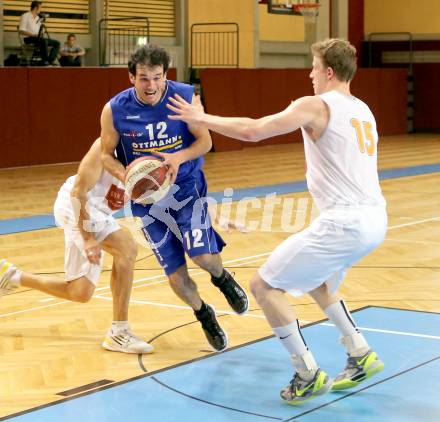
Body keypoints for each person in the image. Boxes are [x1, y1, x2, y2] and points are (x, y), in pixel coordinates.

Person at [167, 38, 387, 404]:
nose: (310, 73)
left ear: (329, 72)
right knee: (318, 282)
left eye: (315, 67)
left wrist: (201, 119)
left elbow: (254, 129)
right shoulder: (363, 109)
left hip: (344, 222)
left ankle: (307, 373)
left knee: (264, 286)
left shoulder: (316, 105)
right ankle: (360, 352)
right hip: (375, 219)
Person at [100, 44, 249, 353]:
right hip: (147, 201)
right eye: (143, 78)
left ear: (165, 75)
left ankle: (222, 278)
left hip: (185, 187)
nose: (151, 85)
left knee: (202, 256)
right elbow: (105, 156)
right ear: (131, 78)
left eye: (157, 77)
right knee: (177, 278)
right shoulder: (115, 109)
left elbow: (205, 141)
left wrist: (177, 158)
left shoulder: (183, 96)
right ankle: (204, 314)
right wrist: (127, 175)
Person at [0, 138, 153, 354]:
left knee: (80, 292)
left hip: (99, 213)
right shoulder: (105, 147)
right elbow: (77, 193)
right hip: (76, 206)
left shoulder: (154, 156)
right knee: (127, 249)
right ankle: (119, 332)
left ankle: (12, 276)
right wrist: (88, 238)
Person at [18, 1, 60, 66]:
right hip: (29, 38)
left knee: (57, 43)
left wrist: (41, 32)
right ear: (35, 8)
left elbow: (42, 30)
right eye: (40, 8)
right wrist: (33, 35)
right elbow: (21, 30)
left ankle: (49, 60)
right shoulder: (25, 16)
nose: (41, 10)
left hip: (39, 38)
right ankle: (45, 61)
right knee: (43, 41)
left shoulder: (38, 18)